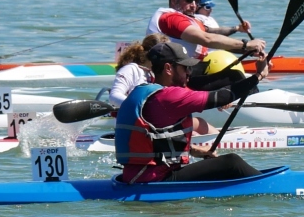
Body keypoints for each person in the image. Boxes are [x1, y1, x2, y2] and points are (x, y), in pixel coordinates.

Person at [115, 41, 268, 184]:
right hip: (155, 178)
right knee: (232, 162)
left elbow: (155, 140)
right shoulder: (169, 96)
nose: (189, 73)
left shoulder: (144, 91)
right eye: (185, 68)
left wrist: (193, 150)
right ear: (168, 69)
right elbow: (220, 97)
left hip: (136, 176)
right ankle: (268, 184)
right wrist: (259, 75)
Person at [109, 33, 217, 135]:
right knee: (192, 131)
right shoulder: (132, 70)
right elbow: (114, 96)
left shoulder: (161, 74)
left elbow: (183, 94)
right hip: (133, 124)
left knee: (198, 123)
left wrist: (214, 102)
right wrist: (144, 109)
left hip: (155, 122)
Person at [147, 0, 265, 60]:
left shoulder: (187, 20)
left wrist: (248, 50)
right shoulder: (172, 19)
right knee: (235, 77)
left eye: (196, 1)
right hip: (175, 74)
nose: (194, 5)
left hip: (188, 69)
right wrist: (246, 44)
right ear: (174, 0)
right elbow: (207, 38)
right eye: (189, 0)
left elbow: (209, 32)